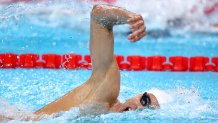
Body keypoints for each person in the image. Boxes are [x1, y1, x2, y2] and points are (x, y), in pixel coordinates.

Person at [1, 4, 172, 121]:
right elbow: (98, 15)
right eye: (144, 100)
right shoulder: (107, 91)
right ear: (136, 95)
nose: (138, 109)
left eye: (147, 113)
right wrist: (129, 17)